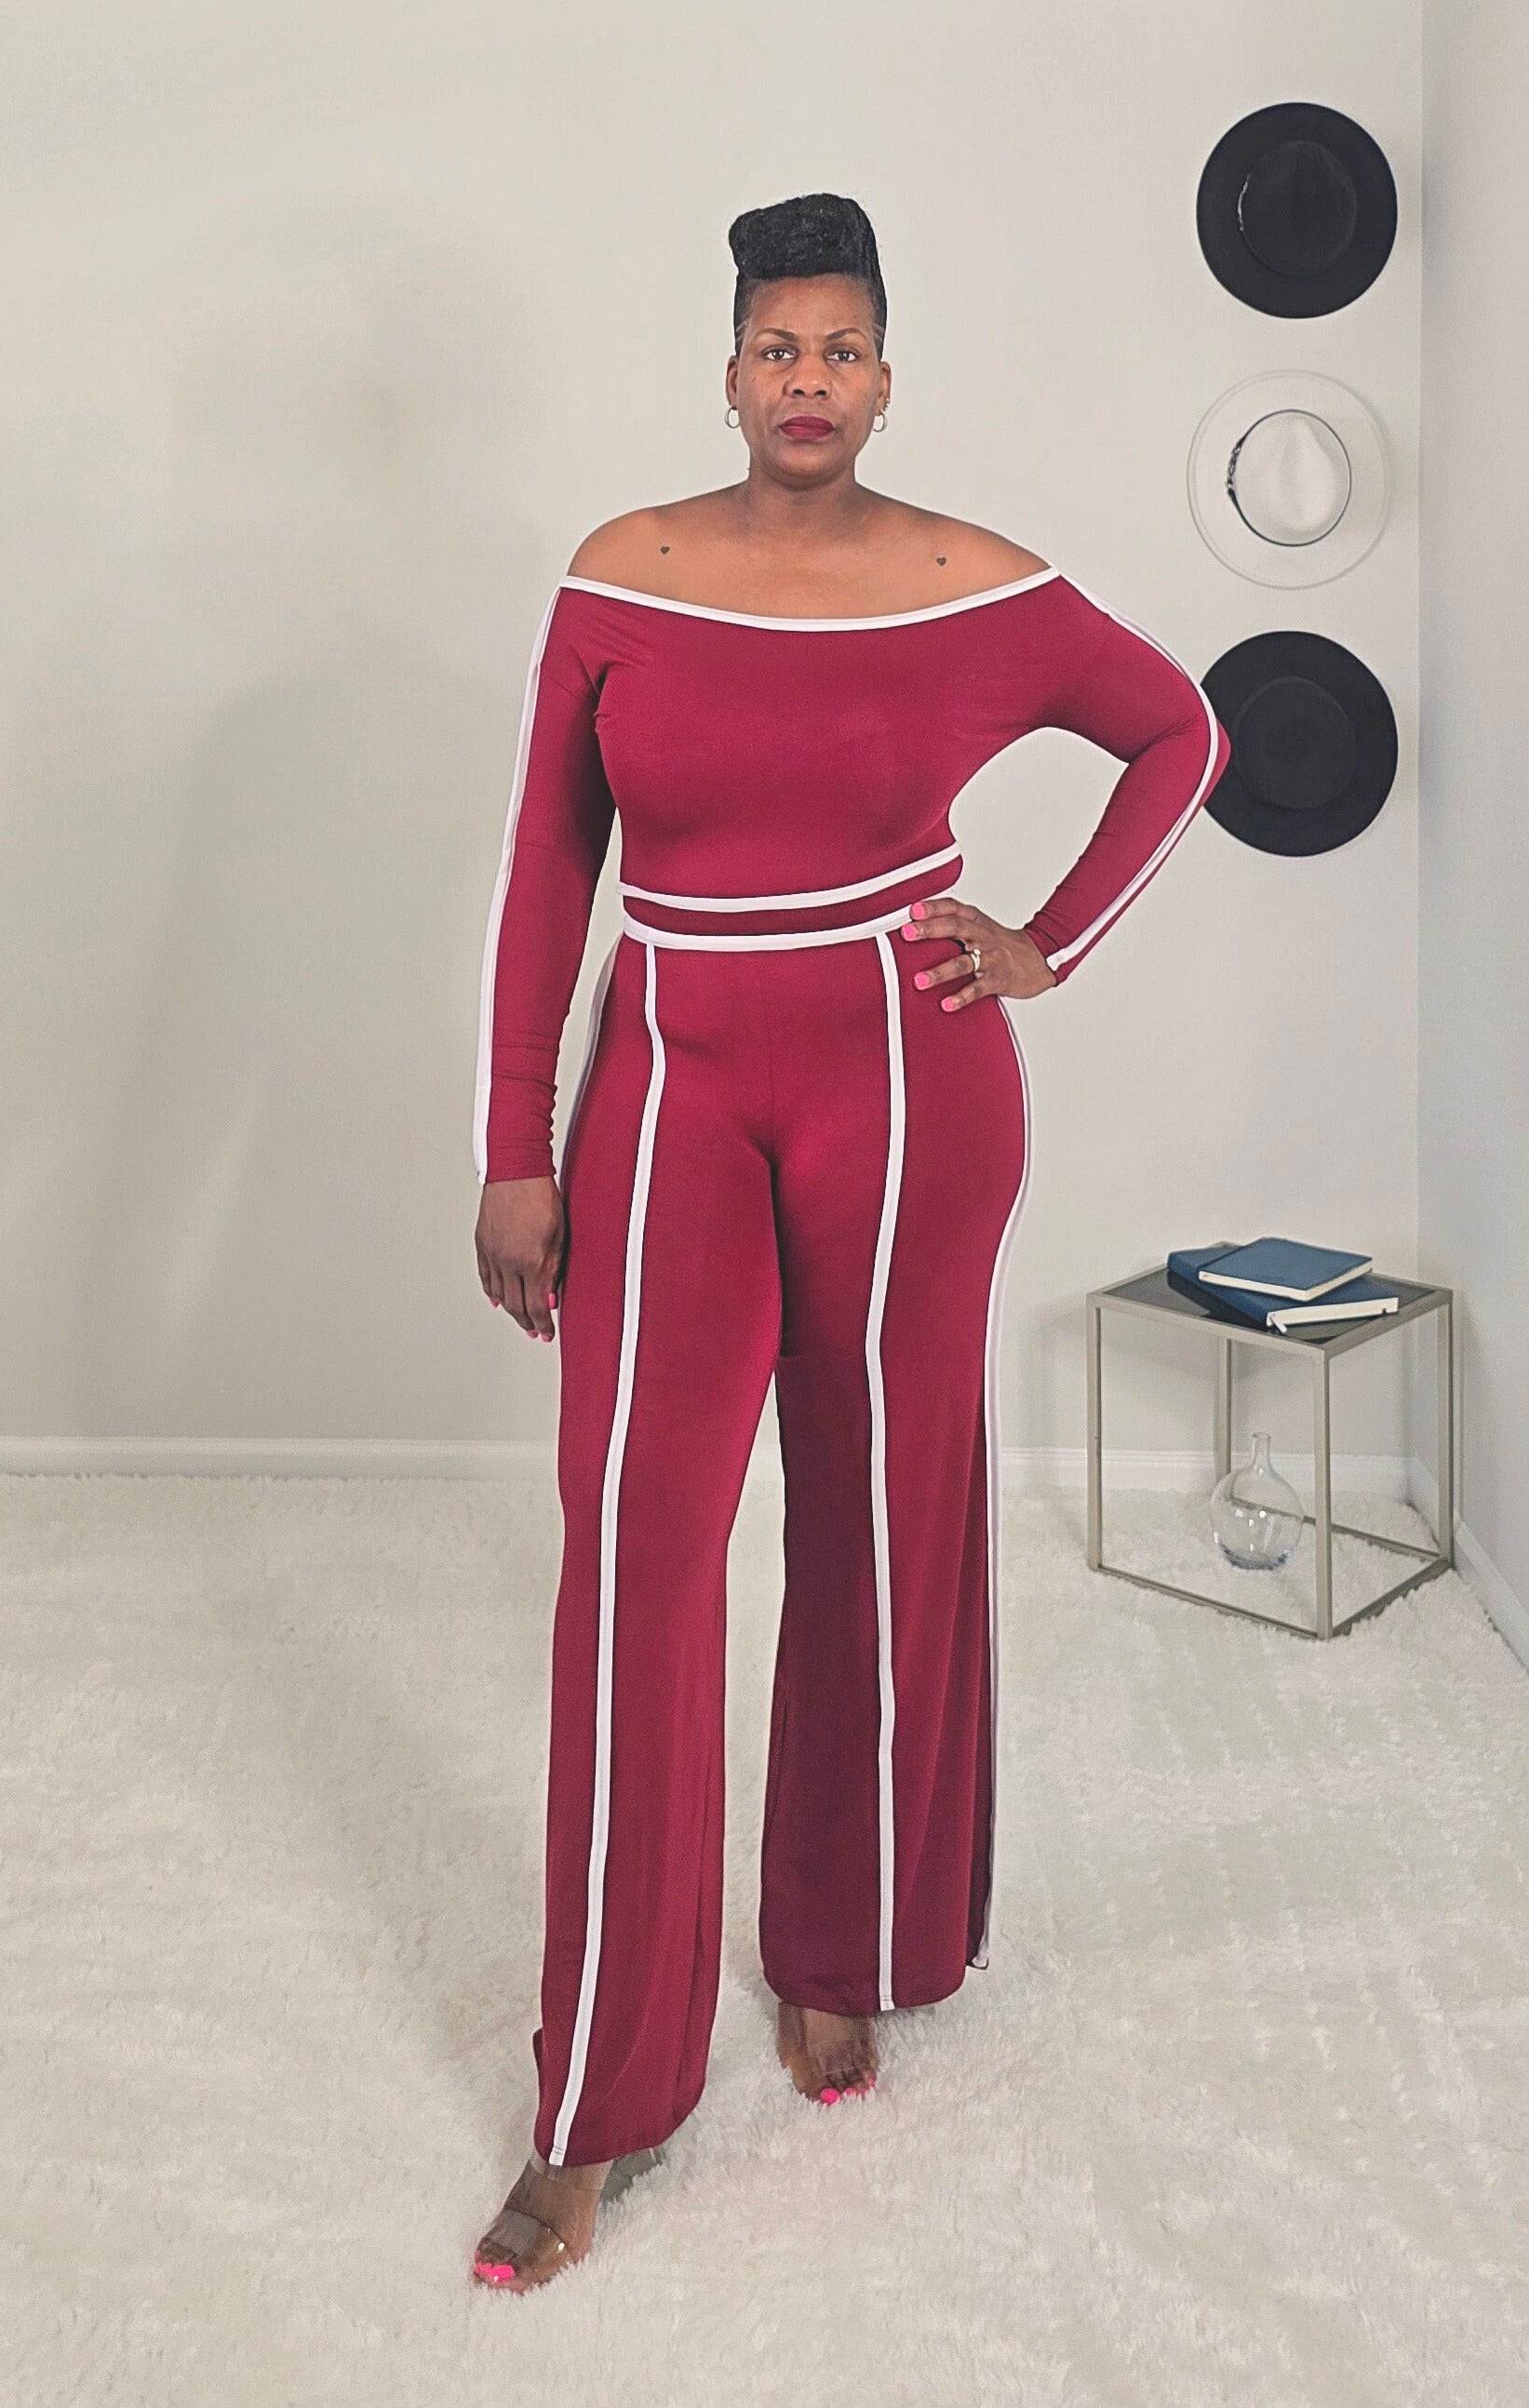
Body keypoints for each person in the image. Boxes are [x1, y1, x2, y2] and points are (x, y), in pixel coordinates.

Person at [467, 192, 1230, 2293]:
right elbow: (550, 866)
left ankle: (849, 1942)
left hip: (909, 1080)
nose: (808, 381)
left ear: (887, 378)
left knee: (885, 1509)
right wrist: (512, 1145)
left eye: (843, 349)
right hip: (672, 1076)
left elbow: (1188, 731)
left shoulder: (972, 586)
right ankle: (591, 2106)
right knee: (634, 1547)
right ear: (729, 370)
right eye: (775, 347)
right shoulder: (620, 572)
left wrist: (1047, 939)